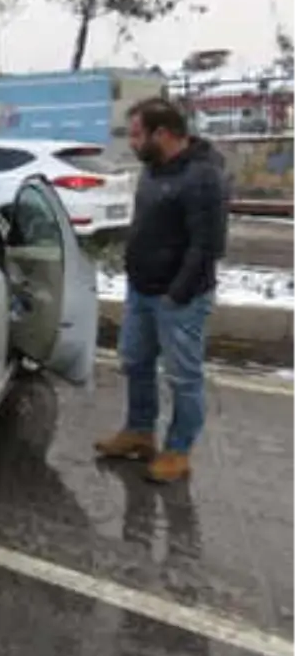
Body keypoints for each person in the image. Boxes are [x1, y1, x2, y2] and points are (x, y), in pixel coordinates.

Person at [95, 98, 226, 484]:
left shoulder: (203, 176)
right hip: (141, 290)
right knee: (134, 361)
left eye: (137, 135)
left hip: (179, 297)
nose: (131, 143)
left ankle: (178, 451)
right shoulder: (153, 170)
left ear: (162, 134)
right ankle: (139, 431)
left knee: (183, 377)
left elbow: (207, 246)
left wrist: (177, 295)